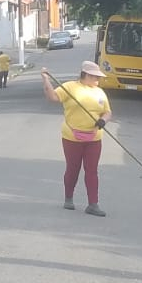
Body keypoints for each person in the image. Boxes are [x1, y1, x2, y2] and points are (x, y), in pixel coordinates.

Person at [43, 60, 113, 217]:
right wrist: (46, 80)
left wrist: (103, 120)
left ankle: (93, 204)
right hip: (72, 137)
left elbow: (107, 112)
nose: (98, 79)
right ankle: (68, 198)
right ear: (86, 75)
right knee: (73, 168)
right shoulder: (70, 87)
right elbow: (52, 97)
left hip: (94, 138)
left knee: (92, 170)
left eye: (98, 77)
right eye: (95, 76)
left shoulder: (100, 92)